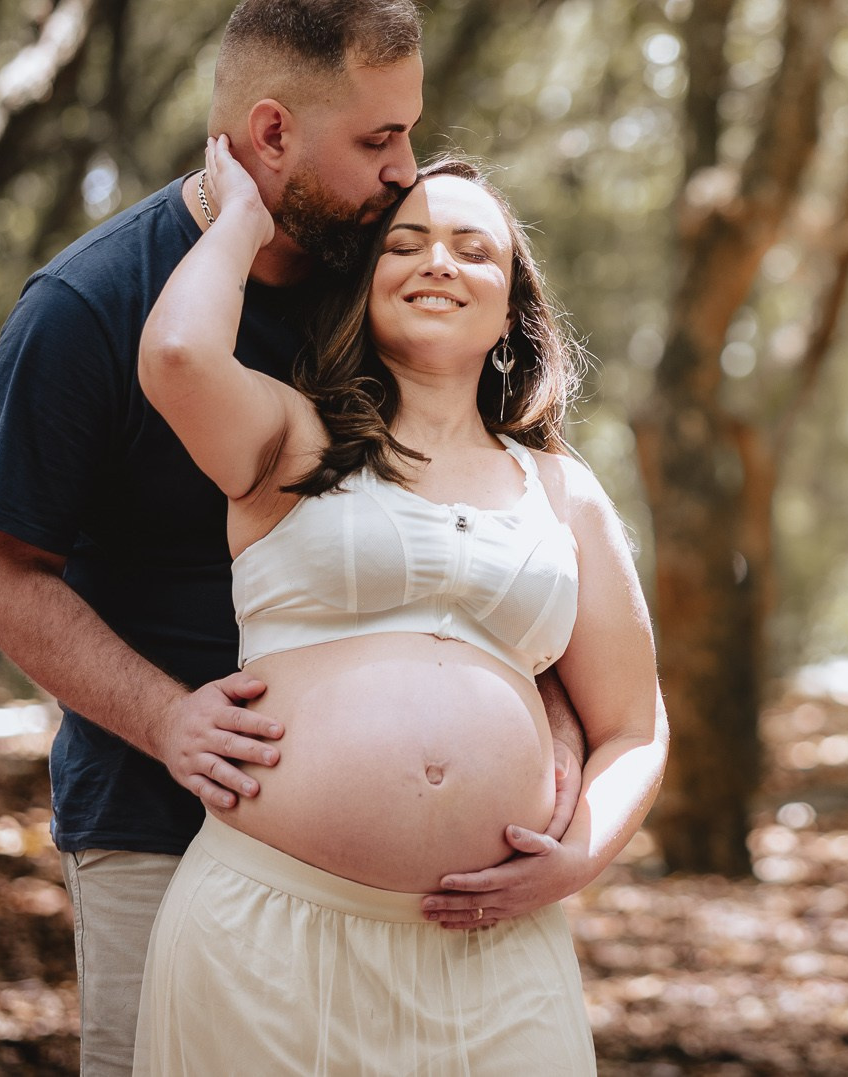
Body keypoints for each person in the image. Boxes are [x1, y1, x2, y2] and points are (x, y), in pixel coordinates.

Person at [0, 0, 588, 1077]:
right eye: (378, 141)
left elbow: (467, 540)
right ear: (270, 134)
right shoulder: (90, 305)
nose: (403, 174)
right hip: (162, 811)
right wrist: (168, 720)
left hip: (418, 914)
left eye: (410, 137)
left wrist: (553, 723)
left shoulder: (378, 277)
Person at [129, 140, 666, 1074]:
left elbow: (636, 726)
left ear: (510, 310)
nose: (437, 262)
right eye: (405, 243)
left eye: (472, 248)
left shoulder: (564, 493)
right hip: (269, 938)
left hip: (497, 961)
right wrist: (244, 221)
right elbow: (177, 356)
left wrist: (579, 854)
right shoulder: (293, 441)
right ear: (364, 288)